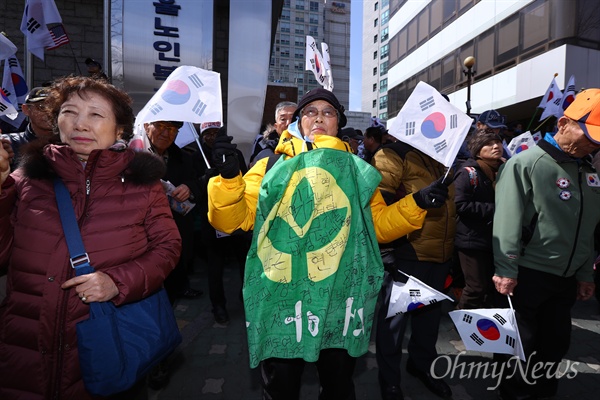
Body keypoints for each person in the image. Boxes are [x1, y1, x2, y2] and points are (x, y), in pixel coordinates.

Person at [206, 88, 449, 399]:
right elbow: (231, 220)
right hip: (282, 301)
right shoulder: (270, 165)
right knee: (281, 388)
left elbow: (376, 227)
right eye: (310, 111)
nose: (319, 116)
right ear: (297, 122)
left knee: (338, 387)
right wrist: (227, 181)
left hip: (339, 299)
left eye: (328, 112)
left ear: (338, 123)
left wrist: (416, 203)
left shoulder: (358, 172)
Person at [0, 75, 181, 399]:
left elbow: (168, 248)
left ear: (120, 129)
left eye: (96, 114)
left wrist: (117, 282)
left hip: (108, 350)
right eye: (70, 112)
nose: (81, 123)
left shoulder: (143, 184)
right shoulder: (26, 177)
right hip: (24, 351)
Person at [493, 89, 600, 400]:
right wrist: (505, 268)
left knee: (555, 345)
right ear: (564, 123)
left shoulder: (588, 171)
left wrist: (585, 274)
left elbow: (587, 227)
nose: (594, 144)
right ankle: (512, 394)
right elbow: (507, 221)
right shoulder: (527, 163)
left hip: (565, 279)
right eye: (589, 135)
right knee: (518, 346)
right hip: (527, 274)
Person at [371, 135, 456, 400]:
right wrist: (387, 253)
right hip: (405, 256)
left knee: (428, 323)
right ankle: (390, 380)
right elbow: (376, 209)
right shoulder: (391, 155)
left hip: (438, 257)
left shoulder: (441, 159)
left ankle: (422, 367)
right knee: (393, 327)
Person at [143, 120, 203, 303]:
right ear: (147, 126)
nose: (165, 133)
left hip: (176, 225)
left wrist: (190, 188)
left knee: (174, 273)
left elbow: (198, 181)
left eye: (172, 129)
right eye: (160, 126)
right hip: (143, 230)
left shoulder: (184, 157)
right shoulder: (131, 153)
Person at [197, 121, 250, 324]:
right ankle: (218, 307)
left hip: (237, 222)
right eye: (207, 134)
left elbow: (245, 182)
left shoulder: (233, 154)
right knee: (215, 267)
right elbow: (193, 189)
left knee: (244, 262)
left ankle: (245, 296)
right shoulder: (196, 156)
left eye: (215, 133)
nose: (211, 138)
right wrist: (207, 179)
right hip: (211, 224)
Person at [454, 129, 504, 309]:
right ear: (477, 149)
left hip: (493, 239)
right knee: (476, 287)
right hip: (471, 239)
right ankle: (461, 321)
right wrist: (495, 209)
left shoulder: (504, 170)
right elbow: (460, 205)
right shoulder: (469, 172)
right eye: (489, 143)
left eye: (498, 142)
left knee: (491, 287)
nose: (496, 146)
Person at [1, 86, 54, 170]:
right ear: (26, 109)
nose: (49, 112)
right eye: (41, 107)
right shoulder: (7, 143)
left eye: (54, 107)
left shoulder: (71, 144)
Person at [249, 101, 297, 167]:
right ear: (276, 126)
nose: (288, 123)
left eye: (293, 119)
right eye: (283, 119)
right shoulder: (265, 154)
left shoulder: (311, 148)